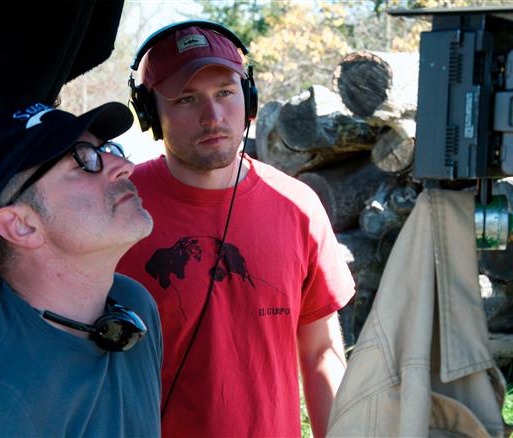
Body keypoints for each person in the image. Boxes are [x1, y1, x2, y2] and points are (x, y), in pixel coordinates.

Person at [117, 21, 356, 438]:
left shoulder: (298, 207)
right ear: (150, 112)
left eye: (225, 93)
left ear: (249, 97)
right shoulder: (114, 211)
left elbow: (320, 354)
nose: (212, 116)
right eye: (186, 99)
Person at [0, 101, 162, 437]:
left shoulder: (134, 305)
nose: (125, 165)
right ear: (21, 226)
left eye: (107, 149)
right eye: (83, 161)